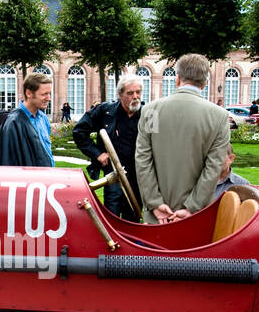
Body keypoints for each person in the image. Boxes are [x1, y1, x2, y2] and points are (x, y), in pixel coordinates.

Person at [134, 53, 231, 224]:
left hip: (157, 215)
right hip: (195, 216)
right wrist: (192, 207)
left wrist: (155, 203)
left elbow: (143, 160)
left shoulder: (151, 110)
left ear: (177, 79)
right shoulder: (219, 116)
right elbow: (213, 167)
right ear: (205, 83)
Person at [72, 78, 145, 221]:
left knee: (134, 219)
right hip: (113, 176)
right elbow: (79, 132)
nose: (135, 96)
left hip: (138, 177)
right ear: (120, 94)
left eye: (138, 92)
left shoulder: (148, 114)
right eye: (130, 93)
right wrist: (97, 154)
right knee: (112, 219)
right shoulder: (105, 111)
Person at [0, 71, 54, 167]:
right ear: (29, 93)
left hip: (46, 178)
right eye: (44, 94)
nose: (49, 98)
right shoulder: (13, 122)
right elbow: (8, 161)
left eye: (49, 94)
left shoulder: (43, 119)